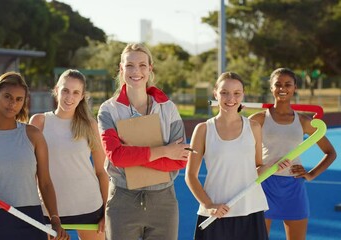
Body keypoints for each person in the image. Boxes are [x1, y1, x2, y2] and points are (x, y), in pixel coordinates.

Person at [97, 43, 191, 240]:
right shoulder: (108, 110)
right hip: (123, 200)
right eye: (129, 65)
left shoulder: (168, 108)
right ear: (121, 69)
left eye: (142, 65)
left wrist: (132, 155)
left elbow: (181, 159)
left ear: (150, 68)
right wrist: (165, 151)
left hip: (164, 202)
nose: (136, 71)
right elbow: (116, 156)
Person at [0, 72, 68, 240]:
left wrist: (55, 219)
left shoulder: (33, 135)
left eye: (19, 99)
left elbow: (45, 182)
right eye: (8, 97)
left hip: (30, 219)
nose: (13, 104)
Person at [249, 68, 337, 240]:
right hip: (263, 185)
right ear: (271, 88)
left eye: (288, 84)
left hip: (293, 188)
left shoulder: (304, 121)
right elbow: (240, 150)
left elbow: (330, 153)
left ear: (295, 87)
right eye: (278, 84)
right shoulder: (257, 119)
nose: (283, 88)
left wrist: (311, 174)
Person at [185, 72, 269, 240]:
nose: (231, 98)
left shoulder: (254, 127)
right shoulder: (203, 129)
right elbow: (190, 176)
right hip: (216, 213)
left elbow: (258, 166)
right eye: (224, 92)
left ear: (243, 94)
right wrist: (209, 205)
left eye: (237, 93)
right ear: (215, 93)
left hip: (250, 209)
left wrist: (272, 167)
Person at [29, 69, 108, 240]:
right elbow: (31, 171)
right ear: (56, 90)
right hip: (50, 211)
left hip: (89, 206)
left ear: (82, 96)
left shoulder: (90, 125)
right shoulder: (39, 122)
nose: (69, 97)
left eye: (75, 92)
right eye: (65, 90)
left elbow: (101, 172)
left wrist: (106, 212)